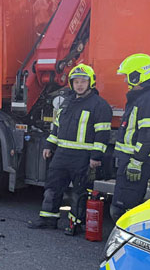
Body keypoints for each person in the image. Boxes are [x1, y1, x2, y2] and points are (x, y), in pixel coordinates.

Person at [28, 64, 112, 235]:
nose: (79, 85)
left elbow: (102, 134)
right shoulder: (67, 102)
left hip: (83, 157)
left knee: (79, 192)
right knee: (52, 187)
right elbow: (57, 127)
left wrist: (96, 157)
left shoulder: (100, 105)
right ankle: (48, 219)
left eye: (83, 81)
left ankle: (76, 225)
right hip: (61, 154)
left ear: (91, 82)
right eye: (76, 82)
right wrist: (49, 145)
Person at [111, 53, 150, 220]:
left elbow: (149, 135)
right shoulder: (145, 97)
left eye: (128, 76)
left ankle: (125, 235)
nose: (125, 80)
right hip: (134, 158)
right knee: (126, 202)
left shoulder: (149, 99)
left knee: (122, 207)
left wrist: (136, 162)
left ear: (137, 76)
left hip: (137, 159)